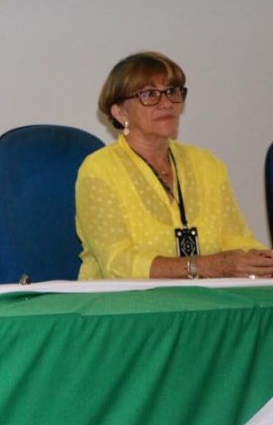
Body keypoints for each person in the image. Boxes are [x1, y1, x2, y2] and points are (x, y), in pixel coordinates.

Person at [76, 51, 273, 279]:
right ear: (120, 113)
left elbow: (237, 240)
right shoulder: (99, 169)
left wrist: (260, 262)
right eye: (150, 94)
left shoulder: (207, 164)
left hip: (205, 302)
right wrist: (203, 266)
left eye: (172, 92)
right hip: (124, 307)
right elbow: (118, 263)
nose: (167, 103)